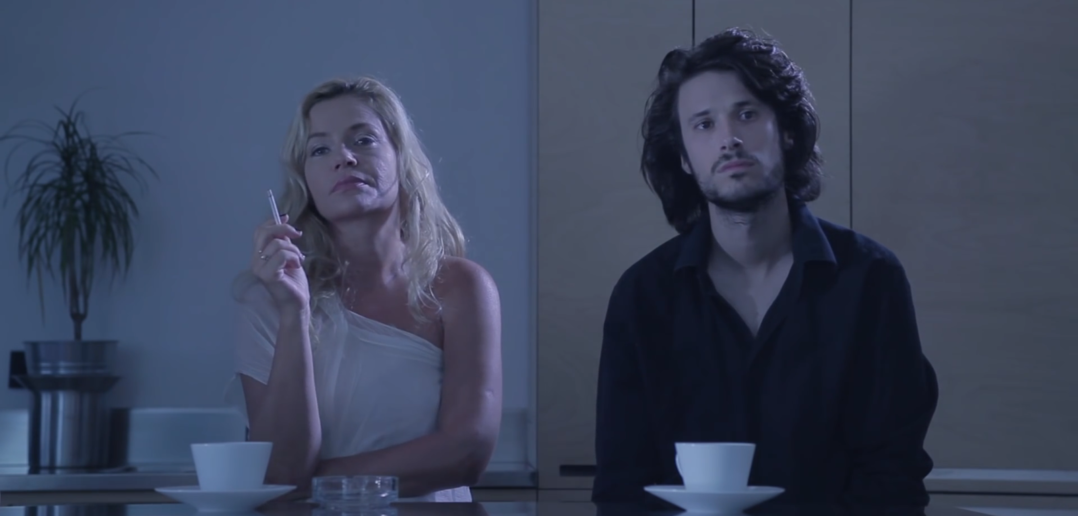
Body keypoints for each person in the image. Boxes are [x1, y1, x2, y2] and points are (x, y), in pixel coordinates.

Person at [592, 28, 939, 506]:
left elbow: (893, 475)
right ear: (685, 160)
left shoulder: (869, 279)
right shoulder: (643, 295)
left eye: (747, 114)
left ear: (787, 132)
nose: (729, 139)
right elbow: (622, 486)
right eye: (703, 125)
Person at [227, 76, 503, 502]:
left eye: (364, 140)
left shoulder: (460, 287)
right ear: (305, 180)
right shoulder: (267, 299)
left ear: (400, 157)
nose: (344, 158)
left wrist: (313, 484)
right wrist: (295, 314)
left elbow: (467, 451)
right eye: (320, 149)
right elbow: (280, 468)